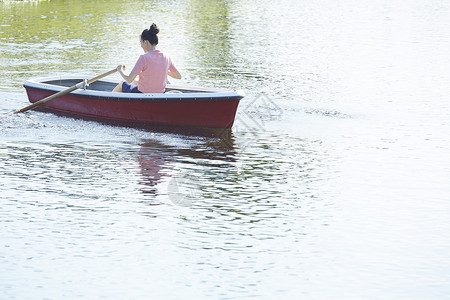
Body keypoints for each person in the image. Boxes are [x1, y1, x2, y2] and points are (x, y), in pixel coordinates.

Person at [113, 23, 181, 93]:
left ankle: (110, 100)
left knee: (122, 83)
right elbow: (178, 76)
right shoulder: (167, 56)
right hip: (160, 93)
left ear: (145, 42)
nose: (141, 45)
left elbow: (129, 79)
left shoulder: (143, 58)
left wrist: (120, 70)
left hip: (142, 94)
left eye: (141, 42)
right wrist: (162, 70)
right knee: (135, 81)